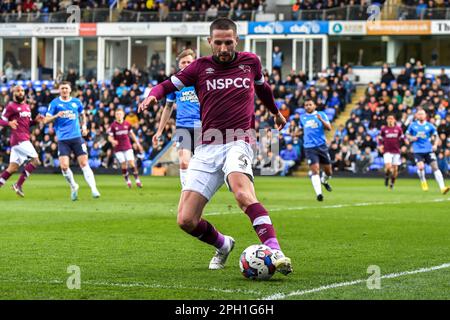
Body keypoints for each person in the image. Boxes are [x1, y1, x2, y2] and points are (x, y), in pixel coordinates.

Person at [138, 18, 292, 275]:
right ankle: (223, 244)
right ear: (209, 42)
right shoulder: (198, 67)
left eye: (228, 42)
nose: (223, 48)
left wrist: (276, 113)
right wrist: (152, 95)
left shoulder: (250, 62)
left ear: (237, 41)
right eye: (218, 42)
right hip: (207, 146)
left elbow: (262, 89)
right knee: (186, 220)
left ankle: (275, 251)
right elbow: (167, 85)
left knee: (243, 194)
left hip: (238, 140)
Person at [44, 81, 101, 201]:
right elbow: (46, 120)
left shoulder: (76, 102)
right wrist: (56, 116)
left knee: (84, 163)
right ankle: (73, 186)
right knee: (64, 166)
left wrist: (84, 127)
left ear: (70, 90)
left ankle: (94, 189)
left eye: (66, 88)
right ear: (59, 90)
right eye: (62, 88)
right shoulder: (54, 103)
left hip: (77, 137)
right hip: (63, 139)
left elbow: (82, 114)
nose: (64, 90)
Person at [153, 49, 201, 187]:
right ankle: (186, 193)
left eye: (189, 62)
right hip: (183, 127)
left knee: (201, 165)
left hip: (202, 126)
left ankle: (198, 193)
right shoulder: (175, 84)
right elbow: (167, 108)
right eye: (183, 62)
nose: (186, 64)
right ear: (179, 65)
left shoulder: (201, 81)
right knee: (184, 162)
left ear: (194, 63)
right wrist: (159, 131)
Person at [0, 86, 44, 196]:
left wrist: (35, 121)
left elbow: (27, 124)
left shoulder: (27, 107)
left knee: (12, 168)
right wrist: (8, 123)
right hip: (19, 139)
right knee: (36, 160)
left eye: (22, 91)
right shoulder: (10, 106)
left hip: (23, 138)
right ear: (13, 93)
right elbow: (1, 120)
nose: (20, 93)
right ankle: (18, 185)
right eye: (18, 91)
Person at [406, 109, 449, 194]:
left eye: (422, 114)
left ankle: (442, 187)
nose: (421, 115)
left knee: (435, 167)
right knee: (421, 167)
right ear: (416, 116)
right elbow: (407, 135)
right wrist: (412, 138)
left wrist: (435, 145)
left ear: (425, 115)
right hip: (418, 150)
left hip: (428, 150)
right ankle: (423, 180)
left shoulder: (430, 126)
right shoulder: (412, 125)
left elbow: (436, 136)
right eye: (419, 114)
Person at [300, 98, 333, 202]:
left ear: (314, 106)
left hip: (321, 146)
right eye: (306, 105)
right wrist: (296, 133)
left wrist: (321, 120)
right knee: (315, 170)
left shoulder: (321, 114)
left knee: (328, 171)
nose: (308, 106)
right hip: (309, 147)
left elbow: (329, 128)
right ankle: (319, 194)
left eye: (310, 104)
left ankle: (324, 180)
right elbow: (303, 129)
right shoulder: (302, 117)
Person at [108, 108, 144, 188]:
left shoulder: (127, 124)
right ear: (115, 115)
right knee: (123, 165)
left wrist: (138, 144)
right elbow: (109, 137)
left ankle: (137, 180)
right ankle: (127, 181)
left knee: (131, 162)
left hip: (127, 146)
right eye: (117, 114)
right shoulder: (113, 126)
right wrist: (113, 141)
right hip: (118, 148)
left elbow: (132, 134)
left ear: (123, 115)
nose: (119, 115)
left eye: (120, 114)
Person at [378, 114, 404, 190]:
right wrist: (380, 145)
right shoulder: (384, 129)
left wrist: (405, 143)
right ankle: (386, 176)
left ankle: (392, 183)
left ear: (394, 120)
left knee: (395, 169)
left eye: (391, 119)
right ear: (387, 120)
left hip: (396, 150)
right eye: (389, 119)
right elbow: (380, 138)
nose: (390, 120)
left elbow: (402, 138)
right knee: (389, 167)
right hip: (387, 150)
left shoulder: (398, 129)